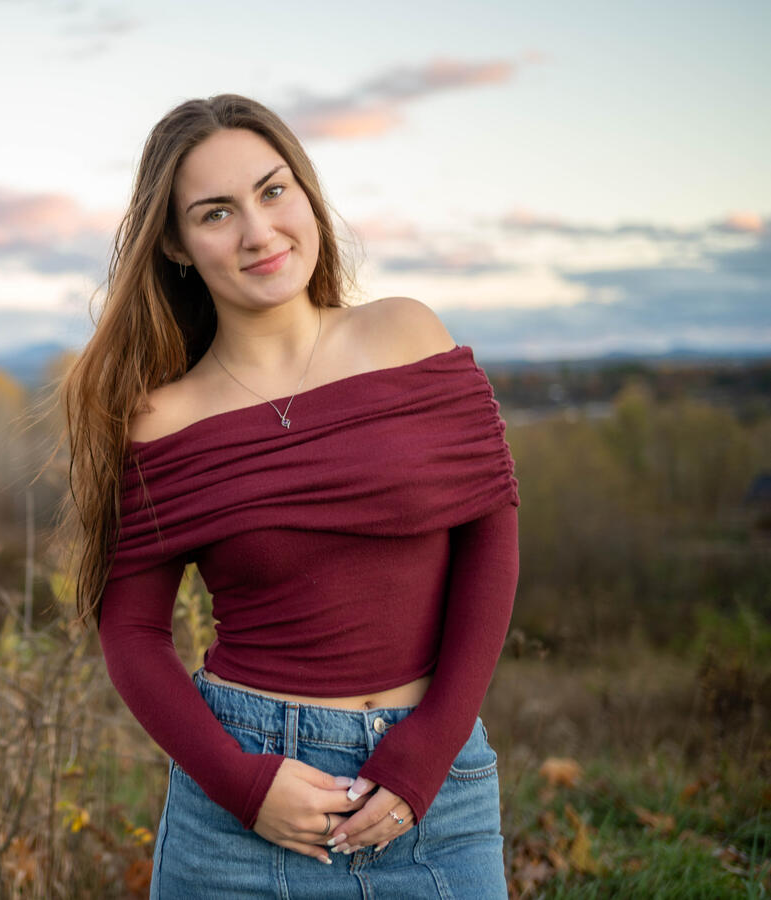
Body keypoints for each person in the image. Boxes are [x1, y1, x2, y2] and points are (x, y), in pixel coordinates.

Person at [57, 94, 520, 897]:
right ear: (173, 243)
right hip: (247, 803)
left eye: (273, 192)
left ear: (306, 194)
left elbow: (489, 532)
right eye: (215, 213)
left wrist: (428, 749)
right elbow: (130, 629)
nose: (257, 232)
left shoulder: (406, 337)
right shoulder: (162, 418)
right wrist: (241, 784)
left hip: (433, 789)